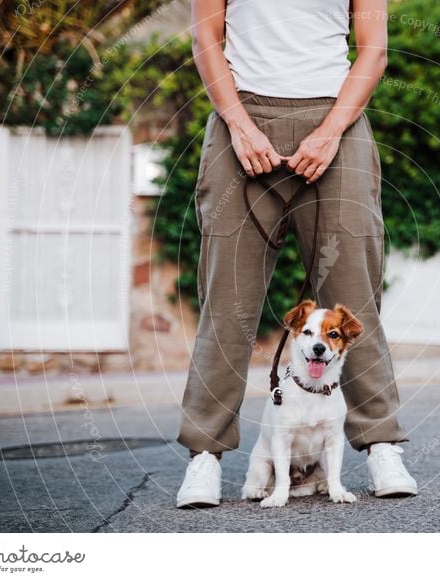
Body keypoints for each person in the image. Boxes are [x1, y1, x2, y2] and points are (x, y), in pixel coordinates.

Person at [176, 0, 418, 508]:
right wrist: (240, 127)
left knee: (355, 299)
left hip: (336, 121)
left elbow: (373, 51)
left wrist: (329, 133)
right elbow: (206, 40)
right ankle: (205, 456)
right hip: (241, 116)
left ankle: (379, 446)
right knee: (228, 305)